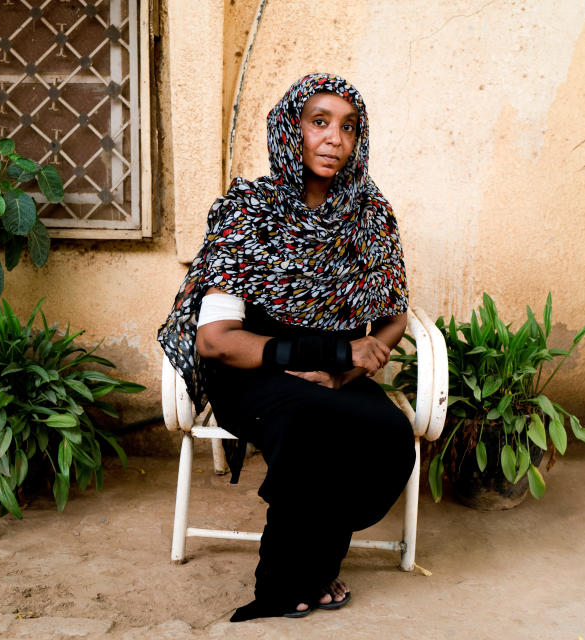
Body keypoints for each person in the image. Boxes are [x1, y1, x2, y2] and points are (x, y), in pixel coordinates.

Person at [158, 73, 415, 621]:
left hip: (336, 371)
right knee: (307, 423)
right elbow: (215, 341)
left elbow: (394, 316)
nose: (334, 139)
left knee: (387, 430)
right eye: (319, 122)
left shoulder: (369, 215)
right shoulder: (248, 211)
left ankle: (316, 565)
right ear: (289, 129)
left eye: (348, 127)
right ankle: (289, 581)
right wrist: (332, 357)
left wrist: (351, 368)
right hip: (255, 368)